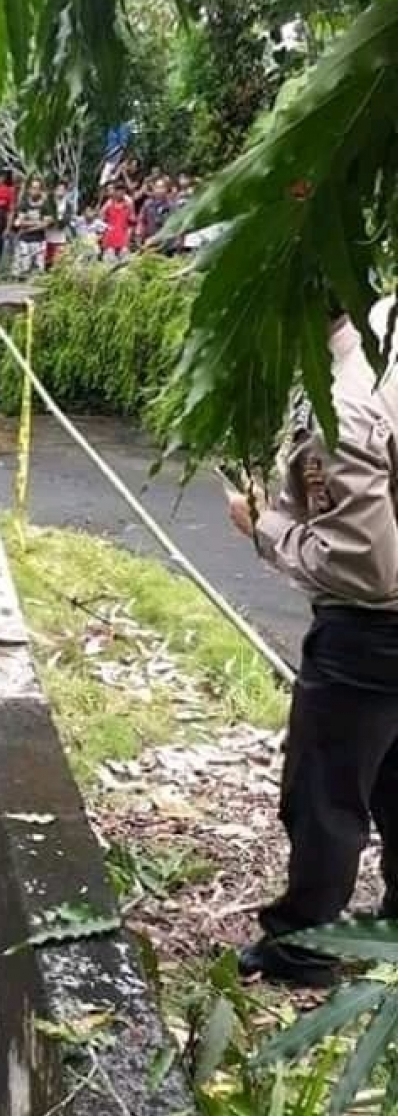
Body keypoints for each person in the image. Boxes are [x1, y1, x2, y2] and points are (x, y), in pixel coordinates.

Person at [227, 295, 398, 985]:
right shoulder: (385, 328)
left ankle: (303, 947)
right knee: (394, 775)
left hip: (371, 634)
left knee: (326, 792)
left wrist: (264, 524)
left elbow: (367, 566)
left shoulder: (341, 404)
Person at [13, 177, 50, 275]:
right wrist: (37, 222)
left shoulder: (45, 205)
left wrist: (28, 227)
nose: (35, 190)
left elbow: (45, 224)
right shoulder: (24, 203)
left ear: (41, 190)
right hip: (24, 240)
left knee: (38, 270)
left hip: (39, 240)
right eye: (33, 188)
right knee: (24, 268)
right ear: (29, 189)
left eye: (37, 188)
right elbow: (20, 222)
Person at [137, 176, 173, 248]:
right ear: (153, 189)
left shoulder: (170, 205)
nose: (159, 190)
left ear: (166, 189)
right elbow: (141, 220)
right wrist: (139, 232)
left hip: (165, 243)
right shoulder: (147, 204)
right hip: (148, 240)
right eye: (157, 187)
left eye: (162, 187)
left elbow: (171, 225)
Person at [45, 181, 75, 268]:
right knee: (47, 262)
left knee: (58, 263)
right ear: (54, 190)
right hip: (47, 237)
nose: (60, 191)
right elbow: (44, 217)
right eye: (58, 189)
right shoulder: (48, 203)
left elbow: (66, 220)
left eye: (62, 189)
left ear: (66, 191)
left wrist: (54, 221)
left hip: (60, 238)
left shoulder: (68, 205)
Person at [100, 186, 134, 261]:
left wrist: (128, 236)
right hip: (110, 238)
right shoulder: (109, 204)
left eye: (122, 191)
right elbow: (101, 218)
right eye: (118, 190)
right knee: (109, 263)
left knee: (125, 263)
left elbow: (132, 223)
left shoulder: (128, 205)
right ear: (114, 192)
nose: (120, 193)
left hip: (123, 238)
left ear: (125, 192)